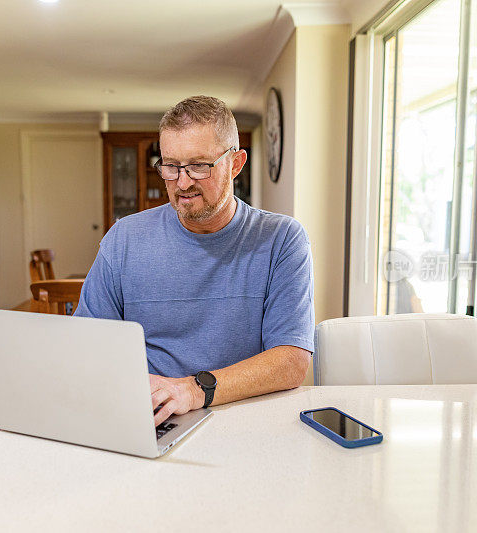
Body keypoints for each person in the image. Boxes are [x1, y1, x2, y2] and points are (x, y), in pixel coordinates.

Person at [74, 95, 314, 426]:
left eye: (199, 166)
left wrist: (194, 390)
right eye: (171, 167)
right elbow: (87, 344)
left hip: (243, 417)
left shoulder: (282, 240)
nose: (182, 183)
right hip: (150, 419)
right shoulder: (123, 239)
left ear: (236, 163)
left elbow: (292, 361)